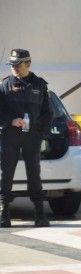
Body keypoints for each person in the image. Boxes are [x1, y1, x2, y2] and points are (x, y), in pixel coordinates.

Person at [0, 49, 53, 228]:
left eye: (18, 64)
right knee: (6, 173)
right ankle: (3, 213)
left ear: (28, 64)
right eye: (12, 65)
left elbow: (48, 113)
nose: (14, 68)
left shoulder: (39, 84)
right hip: (10, 136)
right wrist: (10, 121)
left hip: (32, 136)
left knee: (34, 174)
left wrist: (42, 134)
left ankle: (40, 214)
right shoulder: (5, 85)